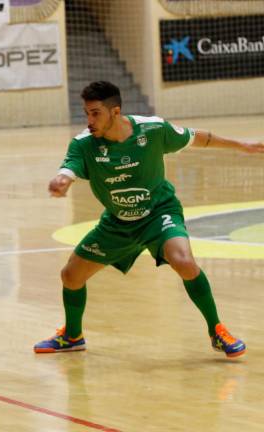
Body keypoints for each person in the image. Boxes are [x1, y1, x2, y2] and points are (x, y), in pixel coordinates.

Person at [34, 80, 263, 358]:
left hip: (159, 213)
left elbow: (197, 138)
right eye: (87, 113)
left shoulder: (152, 129)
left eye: (95, 113)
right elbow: (68, 168)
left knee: (184, 262)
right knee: (70, 276)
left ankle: (217, 331)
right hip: (118, 223)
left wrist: (242, 145)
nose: (89, 120)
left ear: (114, 112)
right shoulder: (84, 144)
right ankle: (72, 336)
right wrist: (62, 180)